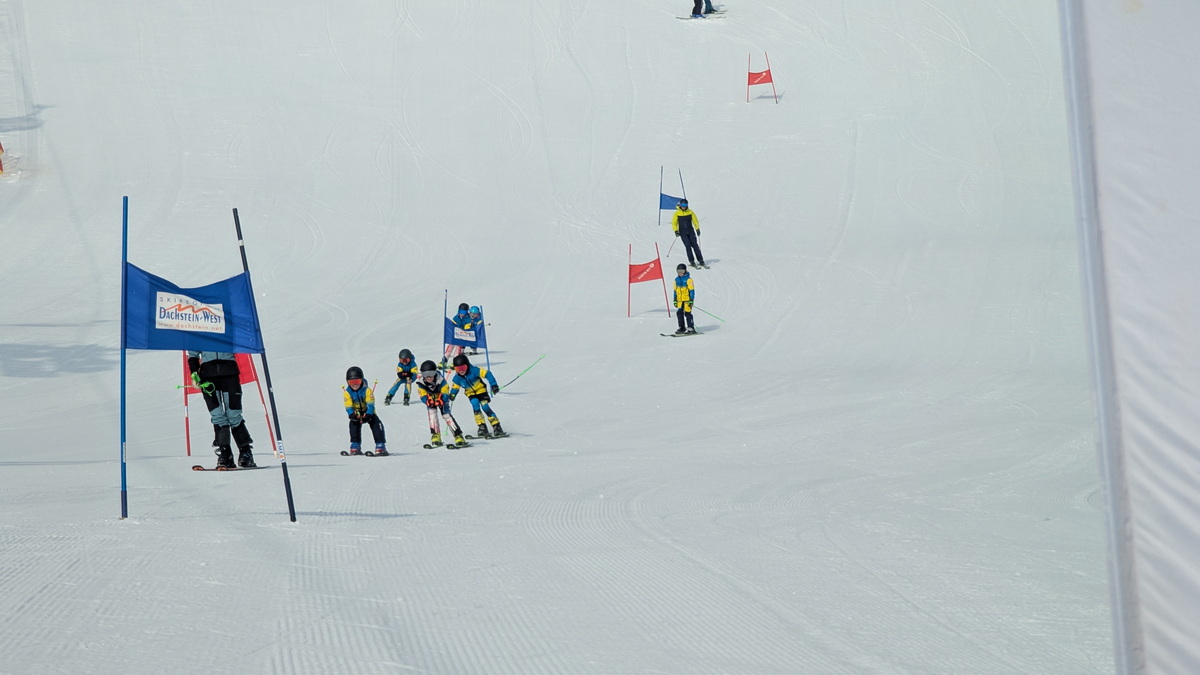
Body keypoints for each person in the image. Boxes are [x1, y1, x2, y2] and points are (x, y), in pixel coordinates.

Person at [188, 351, 256, 469]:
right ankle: (225, 454)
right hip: (208, 375)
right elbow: (193, 353)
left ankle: (246, 453)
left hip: (229, 373)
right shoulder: (200, 336)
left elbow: (240, 343)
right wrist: (194, 373)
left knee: (234, 414)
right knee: (217, 415)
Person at [449, 353, 506, 438]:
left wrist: (494, 385)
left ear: (467, 365)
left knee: (485, 406)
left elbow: (487, 374)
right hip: (471, 393)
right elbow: (455, 388)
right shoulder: (457, 378)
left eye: (463, 368)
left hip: (481, 391)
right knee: (475, 406)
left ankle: (496, 426)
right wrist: (453, 394)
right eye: (458, 369)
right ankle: (482, 427)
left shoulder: (474, 370)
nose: (461, 371)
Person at [415, 360, 466, 447]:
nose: (429, 377)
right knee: (432, 414)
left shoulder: (440, 380)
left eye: (431, 374)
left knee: (446, 415)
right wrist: (428, 401)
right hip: (431, 399)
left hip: (441, 397)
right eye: (426, 374)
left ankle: (458, 435)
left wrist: (442, 399)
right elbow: (422, 395)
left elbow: (445, 390)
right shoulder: (421, 383)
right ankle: (436, 435)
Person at [343, 366, 387, 455]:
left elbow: (370, 404)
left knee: (376, 423)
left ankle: (380, 445)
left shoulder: (367, 390)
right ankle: (355, 446)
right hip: (356, 412)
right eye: (351, 382)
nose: (354, 385)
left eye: (357, 382)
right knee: (353, 424)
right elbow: (348, 406)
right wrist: (352, 414)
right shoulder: (347, 392)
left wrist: (369, 414)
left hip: (368, 412)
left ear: (362, 380)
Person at [672, 199, 706, 268]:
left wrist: (697, 229)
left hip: (690, 231)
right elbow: (674, 223)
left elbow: (695, 221)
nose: (684, 206)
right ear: (680, 205)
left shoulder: (690, 212)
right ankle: (692, 261)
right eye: (682, 205)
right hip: (682, 232)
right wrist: (676, 231)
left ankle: (701, 260)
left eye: (685, 205)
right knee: (688, 246)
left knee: (695, 245)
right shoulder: (677, 213)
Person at [442, 302, 471, 368]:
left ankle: (455, 361)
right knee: (450, 347)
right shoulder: (456, 317)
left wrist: (466, 329)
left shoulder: (468, 319)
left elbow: (468, 327)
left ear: (467, 312)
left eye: (464, 312)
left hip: (462, 337)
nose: (462, 314)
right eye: (461, 312)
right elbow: (452, 325)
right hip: (455, 336)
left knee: (458, 349)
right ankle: (444, 360)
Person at [673, 263, 696, 334]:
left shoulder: (689, 280)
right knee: (679, 313)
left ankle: (691, 328)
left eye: (682, 271)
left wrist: (691, 300)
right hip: (680, 300)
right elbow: (675, 291)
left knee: (687, 313)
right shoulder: (676, 280)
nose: (680, 273)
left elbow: (692, 290)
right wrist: (675, 300)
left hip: (687, 300)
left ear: (685, 271)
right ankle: (682, 327)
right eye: (678, 271)